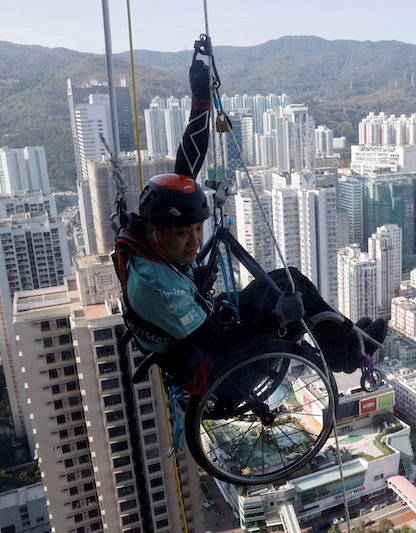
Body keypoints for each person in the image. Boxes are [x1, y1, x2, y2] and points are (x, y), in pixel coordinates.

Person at [114, 58, 387, 384]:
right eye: (183, 233)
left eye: (198, 229)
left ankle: (349, 340)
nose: (195, 241)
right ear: (157, 231)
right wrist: (277, 319)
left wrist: (200, 101)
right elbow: (217, 346)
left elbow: (186, 165)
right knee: (291, 303)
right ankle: (348, 353)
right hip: (222, 368)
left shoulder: (149, 238)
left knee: (290, 280)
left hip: (209, 329)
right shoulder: (159, 287)